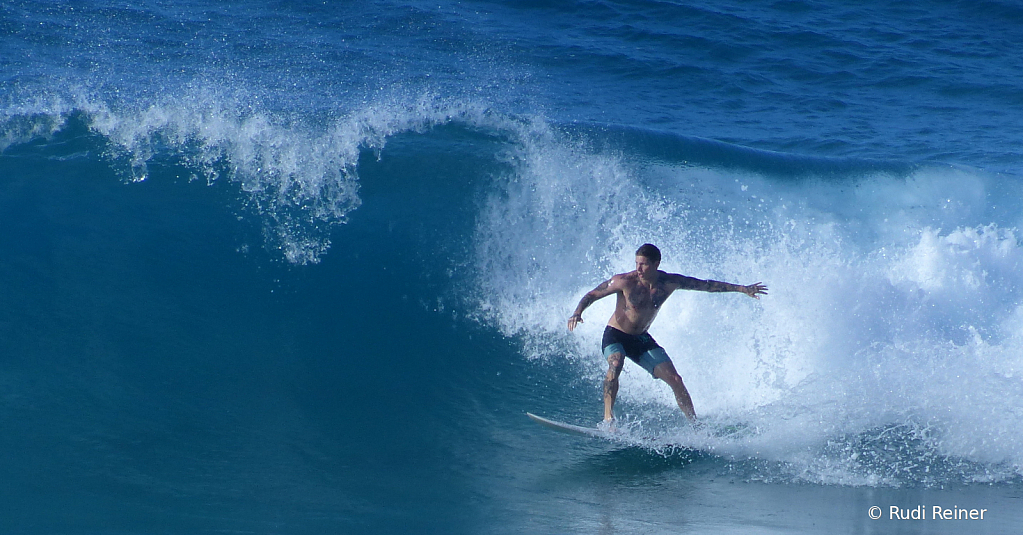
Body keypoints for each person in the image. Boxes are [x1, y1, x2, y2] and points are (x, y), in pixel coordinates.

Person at [567, 243, 767, 423]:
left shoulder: (669, 282)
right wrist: (577, 312)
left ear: (656, 264)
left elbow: (706, 285)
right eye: (637, 263)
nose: (638, 269)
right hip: (615, 334)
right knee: (616, 363)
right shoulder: (624, 281)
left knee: (676, 380)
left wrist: (742, 288)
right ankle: (608, 419)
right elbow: (593, 294)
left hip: (641, 339)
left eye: (644, 264)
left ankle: (695, 427)